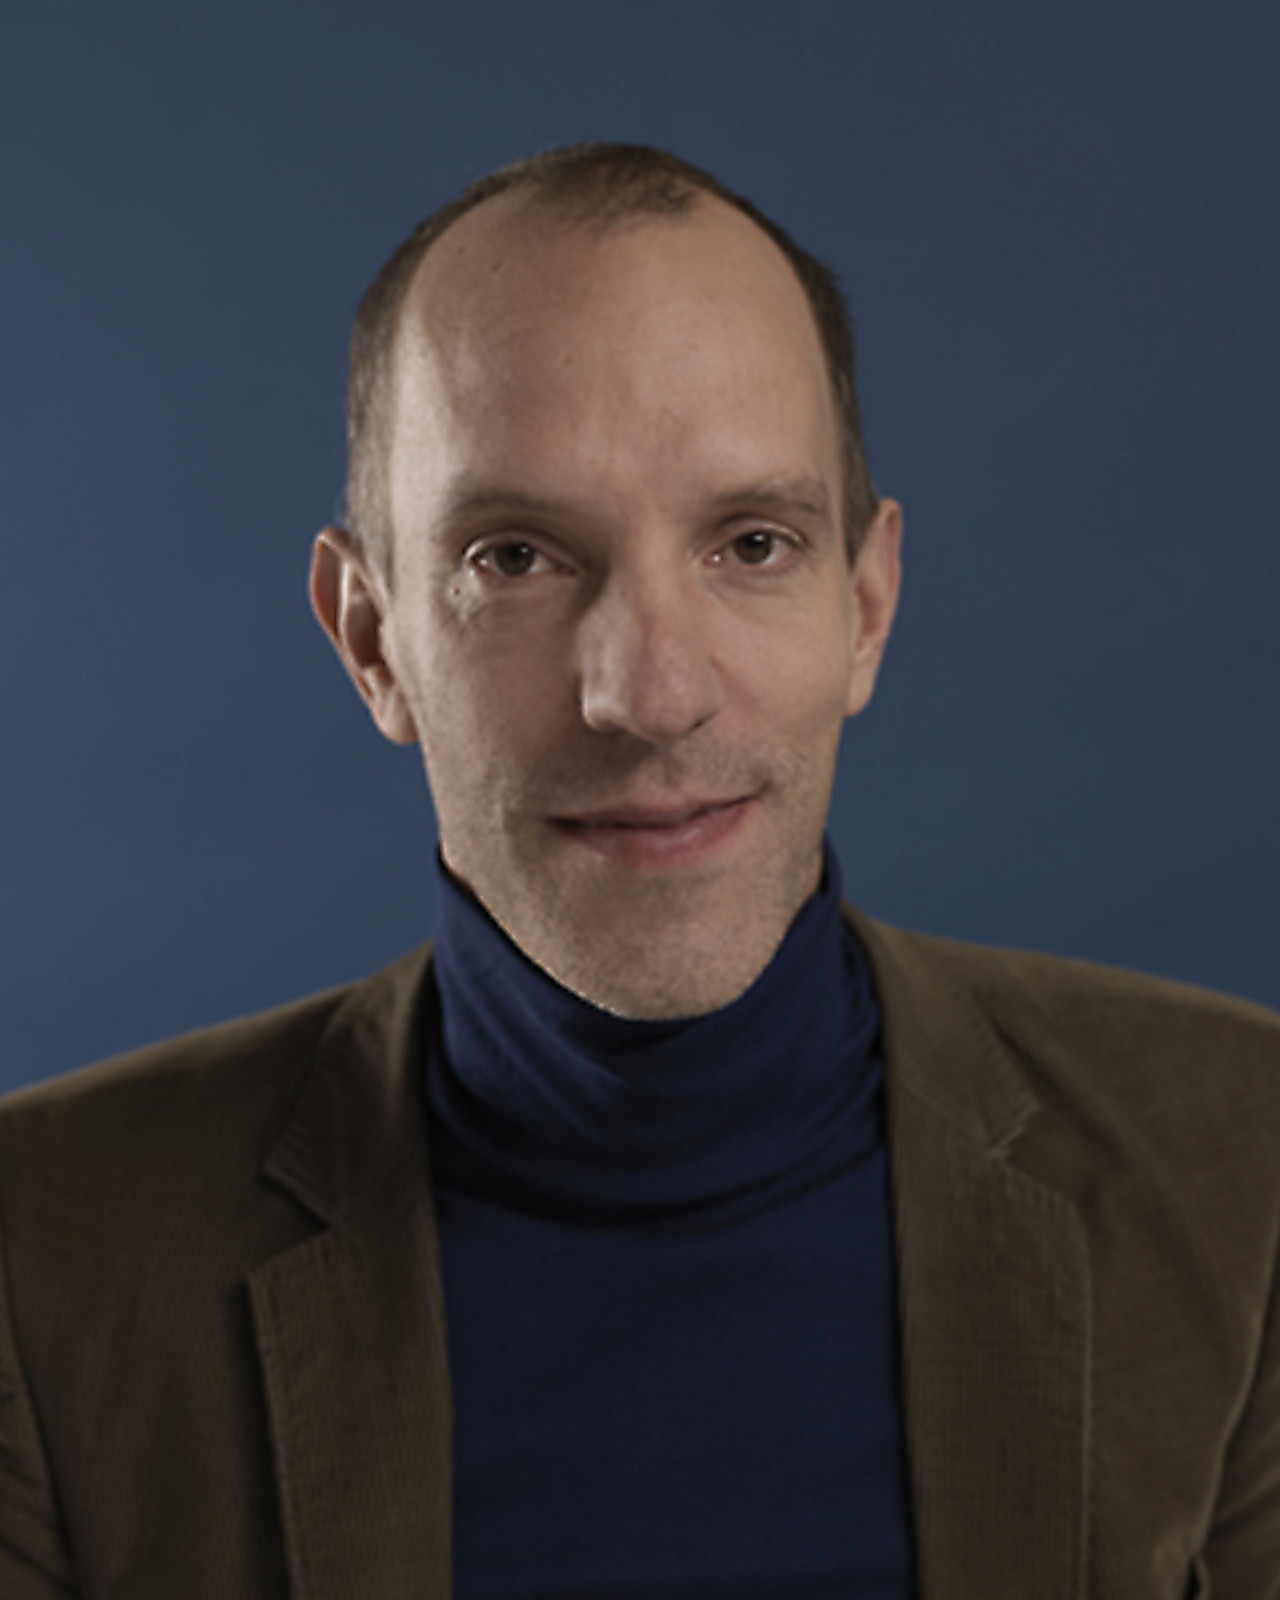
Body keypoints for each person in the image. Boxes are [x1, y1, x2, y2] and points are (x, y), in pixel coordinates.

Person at [1, 142, 1277, 1600]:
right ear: (372, 640)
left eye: (752, 544)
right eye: (515, 559)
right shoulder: (37, 1261)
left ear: (866, 609)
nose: (651, 694)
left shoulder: (1250, 1173)